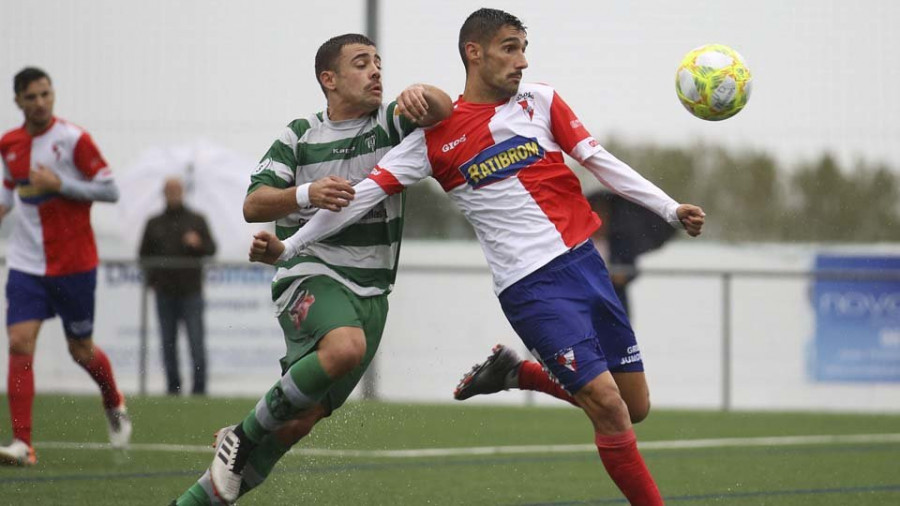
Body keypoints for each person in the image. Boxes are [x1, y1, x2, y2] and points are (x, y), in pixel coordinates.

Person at [247, 10, 705, 505]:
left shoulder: (541, 101)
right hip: (533, 289)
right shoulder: (432, 139)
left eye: (524, 48)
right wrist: (290, 246)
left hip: (589, 271)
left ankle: (518, 373)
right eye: (510, 48)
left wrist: (668, 207)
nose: (522, 61)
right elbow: (359, 195)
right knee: (610, 409)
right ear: (474, 52)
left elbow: (599, 161)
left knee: (634, 407)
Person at [174, 34, 452, 505]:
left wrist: (425, 92)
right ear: (330, 80)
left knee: (297, 421)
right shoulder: (298, 135)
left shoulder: (389, 124)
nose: (376, 71)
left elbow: (445, 112)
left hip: (372, 293)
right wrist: (307, 194)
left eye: (379, 63)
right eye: (362, 63)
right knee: (345, 348)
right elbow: (252, 205)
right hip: (308, 269)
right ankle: (238, 437)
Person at [0, 67, 132, 466]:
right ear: (18, 101)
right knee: (20, 342)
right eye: (31, 96)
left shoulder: (73, 140)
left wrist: (60, 185)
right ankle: (23, 444)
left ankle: (113, 400)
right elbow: (7, 198)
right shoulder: (9, 144)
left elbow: (110, 189)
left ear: (52, 96)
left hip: (74, 264)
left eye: (45, 94)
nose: (40, 102)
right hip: (25, 263)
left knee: (80, 350)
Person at [139, 177, 217, 395]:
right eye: (169, 191)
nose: (173, 194)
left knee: (196, 343)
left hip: (192, 292)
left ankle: (199, 391)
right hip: (164, 293)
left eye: (177, 190)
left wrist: (198, 243)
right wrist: (152, 282)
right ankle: (173, 389)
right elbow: (143, 256)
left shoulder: (197, 220)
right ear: (164, 193)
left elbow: (211, 248)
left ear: (183, 192)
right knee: (168, 345)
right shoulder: (153, 223)